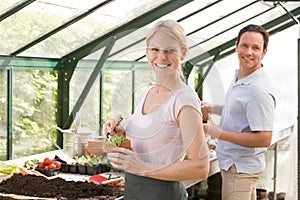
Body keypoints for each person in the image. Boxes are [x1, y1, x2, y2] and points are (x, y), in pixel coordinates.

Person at [103, 20, 210, 200]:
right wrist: (119, 136)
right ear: (147, 52)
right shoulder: (145, 94)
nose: (161, 57)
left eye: (170, 50)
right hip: (134, 192)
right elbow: (146, 150)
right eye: (155, 50)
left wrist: (142, 168)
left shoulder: (184, 100)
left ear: (183, 53)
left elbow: (201, 167)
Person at [202, 24, 276, 200]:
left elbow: (264, 138)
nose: (249, 52)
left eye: (255, 48)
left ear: (264, 52)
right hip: (236, 168)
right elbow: (238, 110)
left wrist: (217, 133)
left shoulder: (258, 90)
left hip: (240, 169)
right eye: (245, 45)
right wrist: (212, 107)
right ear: (236, 46)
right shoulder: (241, 76)